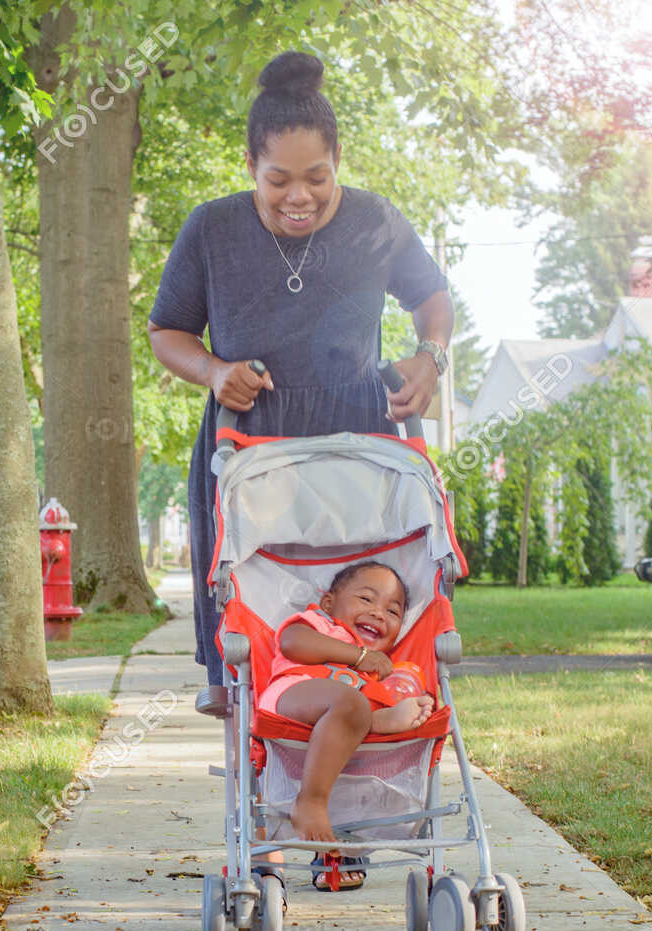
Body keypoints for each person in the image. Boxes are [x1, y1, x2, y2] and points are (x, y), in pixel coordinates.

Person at [145, 49, 455, 719]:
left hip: (356, 436)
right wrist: (214, 370)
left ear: (338, 157)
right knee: (252, 609)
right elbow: (166, 331)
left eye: (317, 177)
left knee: (358, 585)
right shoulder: (212, 229)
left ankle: (364, 716)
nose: (299, 197)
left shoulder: (374, 220)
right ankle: (250, 717)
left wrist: (431, 354)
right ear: (250, 166)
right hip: (249, 440)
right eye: (278, 179)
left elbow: (433, 295)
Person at [258, 561, 433, 890]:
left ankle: (377, 720)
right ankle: (310, 800)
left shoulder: (381, 669)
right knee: (353, 704)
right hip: (293, 696)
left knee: (357, 705)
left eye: (393, 612)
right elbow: (291, 643)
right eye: (366, 599)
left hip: (343, 724)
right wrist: (358, 655)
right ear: (328, 604)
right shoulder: (320, 625)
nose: (379, 613)